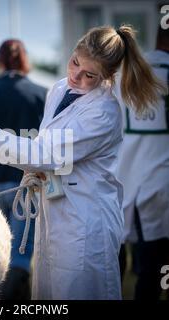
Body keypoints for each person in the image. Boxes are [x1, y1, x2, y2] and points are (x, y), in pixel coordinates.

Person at [0, 25, 164, 299]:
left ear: (107, 76)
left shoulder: (104, 111)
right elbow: (45, 149)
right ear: (73, 51)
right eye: (75, 62)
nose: (76, 75)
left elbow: (48, 154)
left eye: (89, 75)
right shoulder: (59, 89)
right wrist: (37, 171)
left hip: (86, 219)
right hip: (54, 212)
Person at [0, 39, 47, 300]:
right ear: (24, 59)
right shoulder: (41, 93)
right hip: (26, 185)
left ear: (0, 60)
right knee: (21, 256)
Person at [116, 26, 169, 300]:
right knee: (154, 269)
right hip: (162, 189)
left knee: (121, 265)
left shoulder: (127, 72)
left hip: (123, 185)